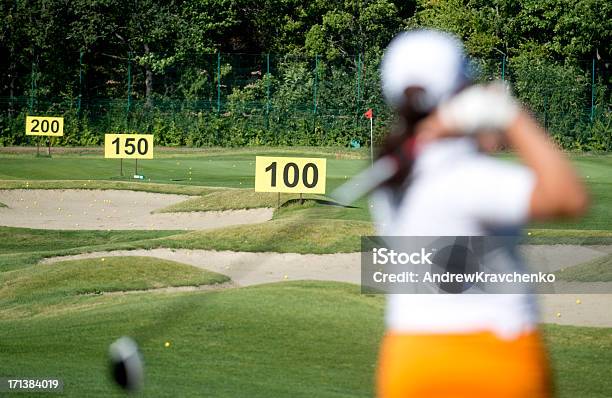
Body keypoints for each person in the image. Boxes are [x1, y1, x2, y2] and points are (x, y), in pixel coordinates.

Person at [372, 30, 588, 398]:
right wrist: (510, 115)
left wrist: (461, 128)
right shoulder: (466, 177)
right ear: (463, 89)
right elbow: (568, 197)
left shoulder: (390, 172)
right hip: (492, 357)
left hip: (409, 357)